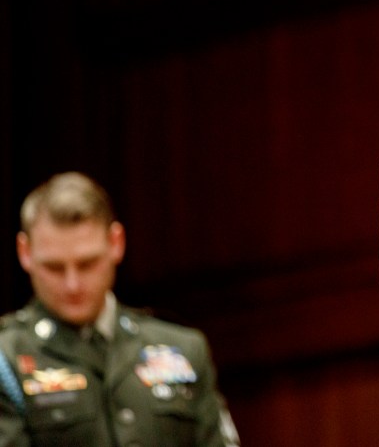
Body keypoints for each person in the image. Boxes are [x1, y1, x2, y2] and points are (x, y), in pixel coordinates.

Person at [0, 172, 241, 446]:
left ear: (116, 243)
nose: (72, 284)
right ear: (25, 253)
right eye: (54, 268)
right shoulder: (5, 359)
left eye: (87, 264)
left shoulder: (184, 350)